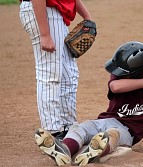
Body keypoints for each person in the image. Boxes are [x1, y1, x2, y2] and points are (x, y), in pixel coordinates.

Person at [34, 41, 143, 166]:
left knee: (112, 136)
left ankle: (89, 153)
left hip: (128, 131)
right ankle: (64, 151)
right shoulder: (122, 78)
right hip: (105, 120)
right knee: (79, 128)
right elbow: (115, 87)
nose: (116, 73)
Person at [19, 0, 92, 140]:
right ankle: (52, 131)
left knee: (69, 74)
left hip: (56, 13)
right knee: (50, 73)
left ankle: (67, 127)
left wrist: (87, 17)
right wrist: (45, 34)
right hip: (44, 11)